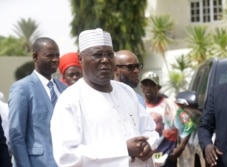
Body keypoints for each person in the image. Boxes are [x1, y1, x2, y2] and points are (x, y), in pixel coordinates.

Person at [50, 28, 159, 167]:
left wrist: (148, 145)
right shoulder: (70, 100)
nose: (105, 60)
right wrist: (123, 149)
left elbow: (149, 130)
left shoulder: (126, 91)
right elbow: (67, 156)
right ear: (81, 59)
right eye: (97, 55)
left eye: (109, 54)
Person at [8, 37, 67, 167]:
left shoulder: (64, 89)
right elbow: (16, 136)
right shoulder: (22, 88)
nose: (55, 60)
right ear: (35, 56)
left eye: (57, 55)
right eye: (49, 56)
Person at [140, 71, 195, 167]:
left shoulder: (169, 105)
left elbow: (188, 125)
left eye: (152, 85)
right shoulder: (139, 106)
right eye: (145, 85)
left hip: (166, 160)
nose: (148, 88)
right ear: (141, 87)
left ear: (158, 88)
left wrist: (181, 147)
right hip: (144, 161)